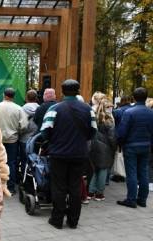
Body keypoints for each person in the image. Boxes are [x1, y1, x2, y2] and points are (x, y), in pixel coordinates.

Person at [41, 79, 97, 229]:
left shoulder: (54, 108)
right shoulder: (88, 109)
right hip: (79, 154)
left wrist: (53, 141)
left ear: (62, 91)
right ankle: (73, 221)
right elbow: (93, 131)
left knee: (58, 187)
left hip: (58, 154)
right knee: (75, 186)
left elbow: (45, 131)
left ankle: (57, 220)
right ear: (78, 91)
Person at [116, 87, 153, 208]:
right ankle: (142, 199)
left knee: (131, 172)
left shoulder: (129, 112)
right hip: (146, 145)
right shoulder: (150, 112)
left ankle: (131, 199)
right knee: (143, 171)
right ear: (146, 97)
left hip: (131, 146)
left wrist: (120, 143)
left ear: (134, 97)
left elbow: (122, 132)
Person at [0, 88, 28, 195]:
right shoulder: (18, 109)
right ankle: (10, 187)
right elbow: (24, 126)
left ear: (4, 95)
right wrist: (17, 131)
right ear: (14, 96)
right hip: (13, 140)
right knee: (11, 163)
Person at [88, 99, 116, 201]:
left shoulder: (94, 118)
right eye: (110, 107)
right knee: (103, 170)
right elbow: (112, 137)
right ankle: (99, 194)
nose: (111, 108)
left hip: (94, 146)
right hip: (105, 148)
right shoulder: (109, 121)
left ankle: (90, 192)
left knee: (95, 170)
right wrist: (114, 148)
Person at [19, 89, 39, 178]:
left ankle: (24, 178)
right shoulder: (40, 108)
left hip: (24, 138)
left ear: (26, 98)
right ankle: (36, 177)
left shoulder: (22, 109)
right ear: (36, 98)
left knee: (24, 159)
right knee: (35, 159)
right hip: (36, 139)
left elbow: (21, 124)